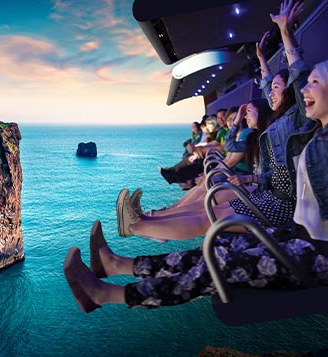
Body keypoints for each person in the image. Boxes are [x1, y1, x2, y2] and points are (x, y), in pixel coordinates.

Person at [63, 60, 328, 313]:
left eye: (314, 81)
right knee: (214, 250)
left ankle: (107, 292)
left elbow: (292, 86)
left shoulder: (309, 137)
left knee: (220, 261)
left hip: (316, 251)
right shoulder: (312, 137)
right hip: (299, 233)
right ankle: (118, 263)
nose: (304, 87)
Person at [117, 0, 311, 240]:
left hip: (281, 206)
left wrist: (285, 32)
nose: (270, 91)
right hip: (266, 193)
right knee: (208, 205)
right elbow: (266, 85)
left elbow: (299, 74)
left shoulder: (298, 118)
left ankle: (136, 226)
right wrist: (261, 59)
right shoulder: (278, 117)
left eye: (277, 88)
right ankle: (149, 219)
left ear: (291, 92)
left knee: (207, 213)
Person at [135, 99, 271, 217]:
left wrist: (213, 174)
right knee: (203, 187)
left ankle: (163, 214)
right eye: (231, 118)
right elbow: (228, 151)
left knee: (206, 193)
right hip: (239, 175)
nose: (243, 117)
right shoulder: (249, 134)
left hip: (240, 175)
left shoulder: (247, 134)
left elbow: (230, 157)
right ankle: (167, 211)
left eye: (246, 113)